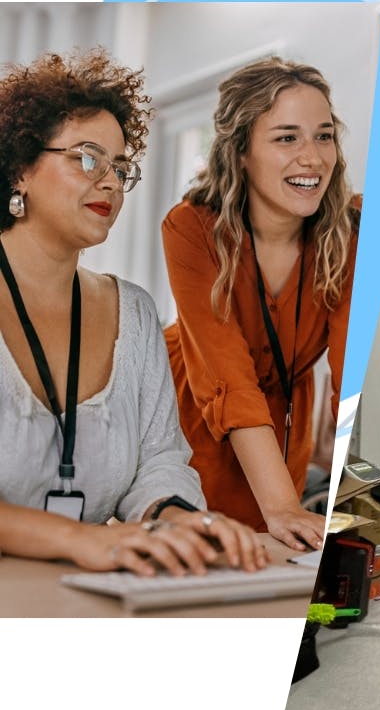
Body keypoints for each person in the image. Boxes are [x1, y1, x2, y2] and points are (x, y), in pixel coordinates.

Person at [0, 48, 266, 575]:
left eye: (121, 166)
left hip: (80, 596)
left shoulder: (135, 313)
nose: (111, 182)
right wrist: (80, 541)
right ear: (20, 168)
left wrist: (179, 517)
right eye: (87, 157)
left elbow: (160, 459)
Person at [162, 57, 357, 551]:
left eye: (324, 135)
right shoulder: (191, 228)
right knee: (205, 563)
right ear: (241, 150)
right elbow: (226, 373)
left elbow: (349, 365)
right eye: (287, 137)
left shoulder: (352, 231)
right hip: (199, 414)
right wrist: (282, 505)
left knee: (278, 565)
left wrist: (344, 485)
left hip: (286, 422)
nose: (312, 158)